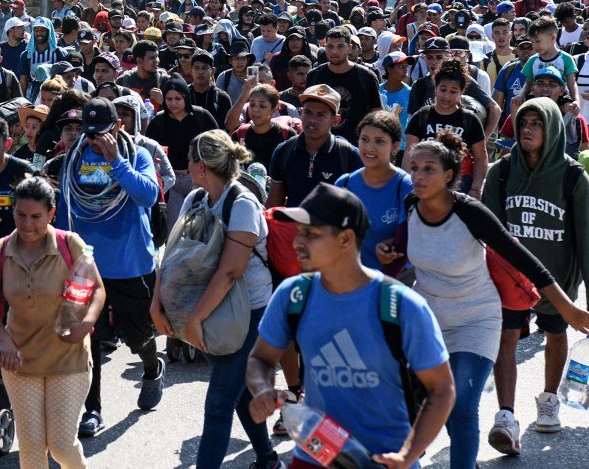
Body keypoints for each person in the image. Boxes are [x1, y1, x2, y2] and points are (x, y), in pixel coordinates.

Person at [378, 129, 589, 468]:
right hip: (428, 321)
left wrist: (569, 309)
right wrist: (389, 251)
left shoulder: (471, 212)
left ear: (449, 175)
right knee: (417, 401)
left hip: (476, 320)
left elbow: (526, 262)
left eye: (428, 168)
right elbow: (407, 245)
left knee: (460, 405)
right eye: (414, 167)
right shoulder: (410, 205)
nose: (417, 175)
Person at [246, 183, 456, 469]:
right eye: (299, 233)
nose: (297, 242)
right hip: (314, 457)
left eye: (311, 234)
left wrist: (408, 454)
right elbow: (260, 358)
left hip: (385, 461)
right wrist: (261, 389)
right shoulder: (293, 295)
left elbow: (442, 390)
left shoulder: (400, 304)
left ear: (346, 239)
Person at [151, 130, 279, 469]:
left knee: (220, 401)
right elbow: (173, 253)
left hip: (248, 313)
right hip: (211, 309)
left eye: (190, 160)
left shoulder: (243, 204)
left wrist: (194, 321)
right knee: (237, 394)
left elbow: (230, 271)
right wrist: (157, 302)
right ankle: (267, 458)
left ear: (202, 166)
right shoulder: (196, 198)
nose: (186, 166)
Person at [483, 98, 589, 452]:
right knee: (506, 339)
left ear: (553, 129)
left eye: (536, 123)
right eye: (522, 122)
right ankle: (506, 415)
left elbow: (587, 238)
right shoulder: (500, 172)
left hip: (558, 276)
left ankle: (548, 399)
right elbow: (489, 232)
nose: (526, 129)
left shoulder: (573, 176)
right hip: (510, 278)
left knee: (555, 335)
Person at [55, 99, 164, 436]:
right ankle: (93, 409)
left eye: (100, 133)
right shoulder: (73, 161)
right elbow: (62, 208)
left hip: (129, 264)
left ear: (118, 128)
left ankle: (150, 364)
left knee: (138, 334)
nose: (92, 140)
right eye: (87, 133)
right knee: (89, 337)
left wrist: (115, 161)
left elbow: (148, 195)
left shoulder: (138, 155)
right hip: (87, 264)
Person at [0, 177, 105, 469]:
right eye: (20, 215)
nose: (27, 224)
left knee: (61, 445)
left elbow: (97, 289)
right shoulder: (0, 249)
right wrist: (4, 341)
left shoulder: (69, 243)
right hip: (20, 362)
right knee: (32, 453)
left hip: (68, 358)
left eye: (36, 217)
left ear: (51, 213)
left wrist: (86, 323)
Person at [335, 111, 412, 270]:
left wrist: (390, 249)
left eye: (379, 141)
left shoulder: (406, 186)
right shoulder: (344, 184)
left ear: (395, 145)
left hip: (395, 282)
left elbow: (411, 237)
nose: (369, 147)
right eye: (364, 139)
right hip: (350, 282)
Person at [267, 85, 362, 208]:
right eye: (308, 112)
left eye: (321, 115)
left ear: (335, 120)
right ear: (300, 113)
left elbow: (360, 207)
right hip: (292, 226)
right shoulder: (284, 151)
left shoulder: (349, 155)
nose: (312, 119)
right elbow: (273, 207)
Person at [403, 59, 488, 196]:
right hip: (424, 182)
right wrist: (408, 187)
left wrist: (476, 189)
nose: (446, 96)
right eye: (443, 89)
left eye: (453, 91)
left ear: (461, 92)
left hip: (461, 186)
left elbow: (481, 157)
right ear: (435, 87)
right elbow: (409, 154)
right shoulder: (421, 116)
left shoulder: (470, 119)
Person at [144, 76, 219, 230]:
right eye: (169, 99)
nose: (173, 103)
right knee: (174, 227)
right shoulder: (158, 121)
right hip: (172, 183)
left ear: (186, 97)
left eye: (178, 98)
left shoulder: (201, 117)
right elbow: (147, 152)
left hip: (200, 179)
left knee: (202, 226)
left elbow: (220, 143)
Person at [306, 26, 382, 144]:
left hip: (356, 147)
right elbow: (308, 112)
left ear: (350, 48)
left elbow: (376, 115)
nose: (334, 51)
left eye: (340, 46)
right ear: (324, 48)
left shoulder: (366, 77)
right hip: (320, 146)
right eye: (330, 46)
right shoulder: (314, 76)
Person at [230, 83, 301, 174]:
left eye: (262, 106)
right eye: (252, 105)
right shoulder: (239, 134)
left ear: (274, 109)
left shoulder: (287, 135)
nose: (256, 110)